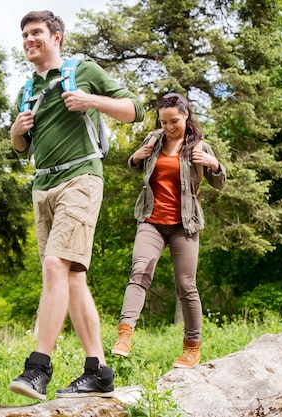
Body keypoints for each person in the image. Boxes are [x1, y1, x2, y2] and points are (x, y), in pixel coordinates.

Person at [8, 10, 145, 400]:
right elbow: (22, 149)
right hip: (43, 184)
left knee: (54, 265)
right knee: (71, 276)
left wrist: (91, 100)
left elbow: (133, 108)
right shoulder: (27, 88)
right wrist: (17, 134)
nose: (29, 40)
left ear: (56, 37)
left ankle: (38, 368)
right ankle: (97, 370)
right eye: (24, 35)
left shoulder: (81, 70)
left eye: (36, 33)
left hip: (81, 177)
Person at [110, 92, 226, 368]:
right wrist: (135, 158)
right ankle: (125, 334)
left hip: (184, 225)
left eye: (174, 121)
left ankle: (192, 347)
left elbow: (219, 182)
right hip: (151, 220)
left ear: (185, 114)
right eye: (163, 122)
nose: (169, 127)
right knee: (139, 271)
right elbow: (136, 166)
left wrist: (214, 164)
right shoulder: (153, 140)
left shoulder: (199, 147)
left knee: (186, 286)